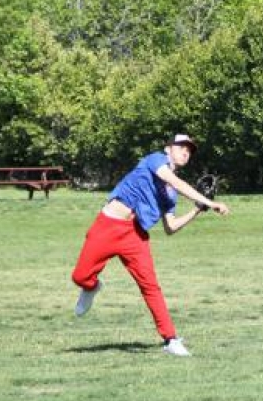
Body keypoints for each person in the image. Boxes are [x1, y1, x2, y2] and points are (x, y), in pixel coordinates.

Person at [70, 134, 230, 357]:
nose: (186, 152)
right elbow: (174, 180)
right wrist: (210, 202)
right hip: (108, 225)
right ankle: (91, 286)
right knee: (79, 277)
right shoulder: (155, 160)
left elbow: (170, 227)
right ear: (168, 149)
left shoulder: (170, 195)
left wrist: (197, 210)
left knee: (150, 286)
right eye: (181, 147)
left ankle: (171, 339)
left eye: (189, 150)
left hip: (135, 234)